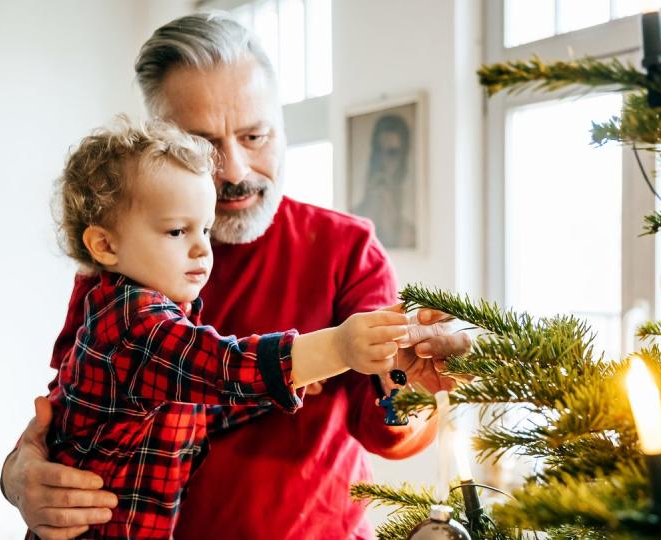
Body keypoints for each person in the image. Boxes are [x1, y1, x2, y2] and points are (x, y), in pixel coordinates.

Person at [1, 11, 471, 540]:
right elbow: (78, 405)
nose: (235, 171)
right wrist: (17, 475)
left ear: (283, 126)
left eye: (254, 135)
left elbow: (386, 432)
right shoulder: (122, 265)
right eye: (202, 146)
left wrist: (407, 377)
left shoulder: (345, 247)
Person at [36, 117, 410, 538]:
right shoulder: (133, 321)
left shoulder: (156, 310)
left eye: (205, 229)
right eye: (177, 230)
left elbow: (193, 410)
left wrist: (289, 383)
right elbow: (223, 368)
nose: (201, 248)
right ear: (105, 245)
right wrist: (337, 347)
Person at [353, 113, 417, 248]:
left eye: (392, 153)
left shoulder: (409, 231)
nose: (383, 162)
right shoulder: (352, 218)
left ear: (402, 160)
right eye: (378, 151)